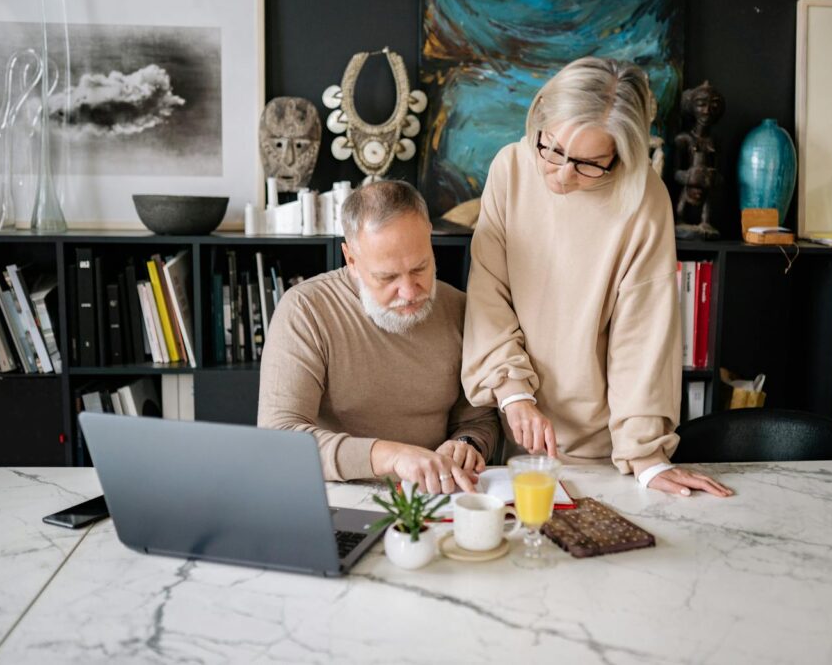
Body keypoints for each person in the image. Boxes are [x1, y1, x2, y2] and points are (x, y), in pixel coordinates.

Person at [461, 57, 732, 498]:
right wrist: (514, 396)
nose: (563, 175)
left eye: (589, 164)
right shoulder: (510, 168)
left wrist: (645, 458)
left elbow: (643, 334)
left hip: (603, 451)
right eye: (552, 150)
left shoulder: (644, 197)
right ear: (541, 115)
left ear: (619, 156)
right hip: (513, 427)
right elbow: (489, 293)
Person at [258, 180, 499, 495]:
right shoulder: (306, 309)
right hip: (335, 494)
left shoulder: (459, 309)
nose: (410, 292)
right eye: (387, 277)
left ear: (429, 237)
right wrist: (393, 456)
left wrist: (467, 443)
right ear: (352, 261)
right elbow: (279, 441)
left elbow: (481, 418)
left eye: (420, 268)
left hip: (434, 495)